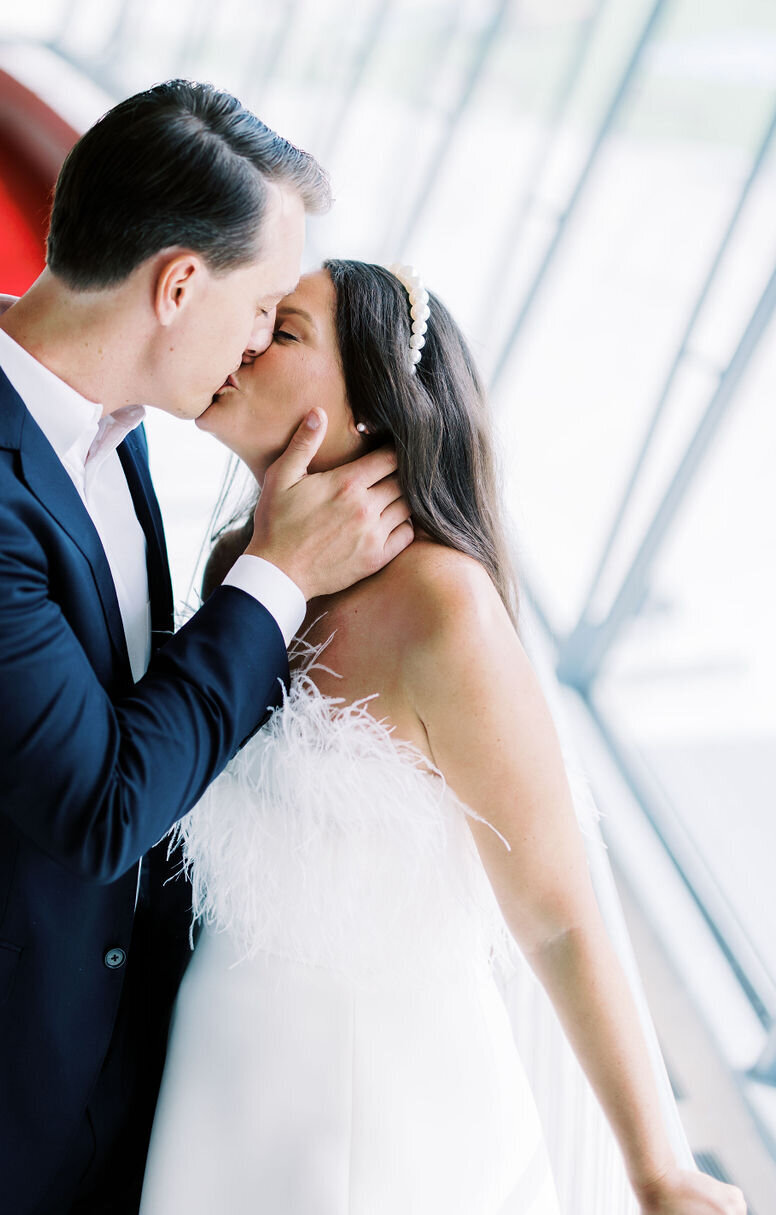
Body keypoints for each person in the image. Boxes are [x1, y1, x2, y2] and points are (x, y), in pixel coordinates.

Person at [0, 84, 414, 1215]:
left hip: (81, 1063)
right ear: (178, 284)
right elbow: (103, 801)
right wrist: (275, 575)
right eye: (260, 307)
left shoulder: (108, 429)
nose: (258, 343)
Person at [138, 259, 747, 1215]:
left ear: (375, 410)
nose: (244, 341)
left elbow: (556, 914)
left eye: (283, 331)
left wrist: (656, 1170)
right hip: (219, 1083)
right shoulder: (241, 569)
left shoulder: (440, 605)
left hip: (386, 1118)